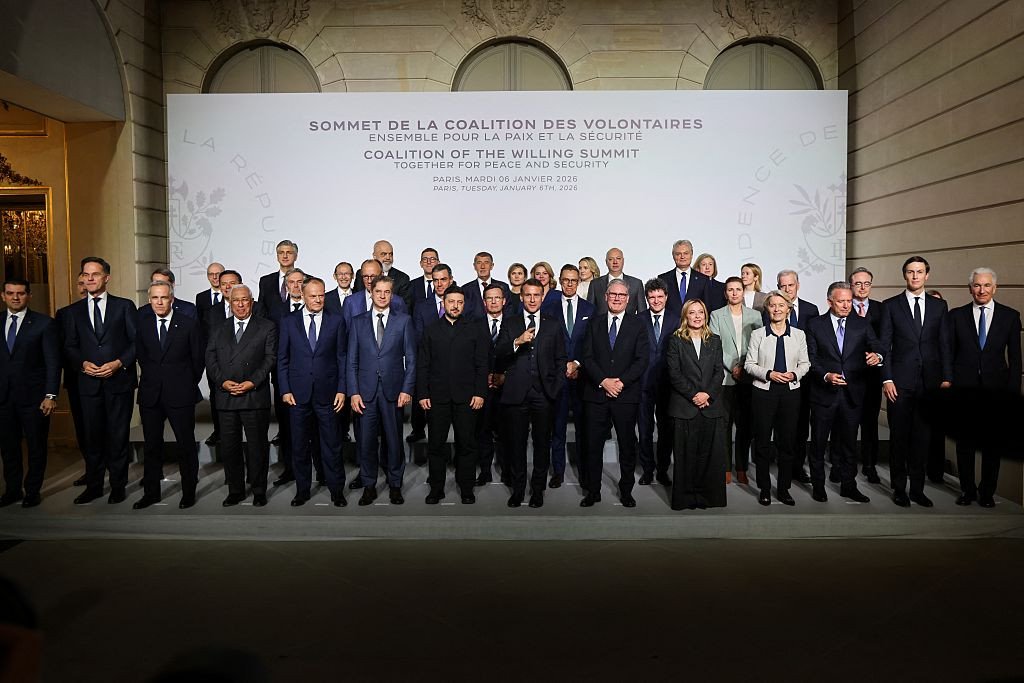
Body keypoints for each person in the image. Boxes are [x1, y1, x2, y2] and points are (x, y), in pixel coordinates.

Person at [64, 256, 138, 505]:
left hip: (119, 382)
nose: (90, 279)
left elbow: (136, 342)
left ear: (106, 278)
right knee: (92, 438)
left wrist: (118, 363)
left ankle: (118, 486)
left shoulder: (124, 306)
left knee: (118, 437)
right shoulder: (72, 312)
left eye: (95, 274)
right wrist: (83, 364)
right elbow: (70, 346)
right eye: (86, 274)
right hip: (88, 383)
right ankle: (94, 486)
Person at [945, 267, 1021, 507]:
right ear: (970, 289)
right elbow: (949, 354)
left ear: (994, 288)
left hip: (996, 391)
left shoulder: (1010, 316)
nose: (982, 290)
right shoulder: (956, 316)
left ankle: (987, 493)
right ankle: (967, 490)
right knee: (965, 444)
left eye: (987, 285)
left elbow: (1016, 360)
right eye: (977, 285)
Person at [879, 256, 951, 508]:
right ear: (905, 275)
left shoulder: (939, 306)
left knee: (922, 438)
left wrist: (946, 378)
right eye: (911, 272)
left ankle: (918, 490)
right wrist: (887, 378)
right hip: (899, 383)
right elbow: (885, 346)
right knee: (899, 437)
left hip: (929, 384)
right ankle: (899, 489)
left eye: (919, 272)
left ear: (927, 275)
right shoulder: (890, 306)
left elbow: (944, 344)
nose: (915, 276)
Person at [804, 282, 882, 504]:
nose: (847, 305)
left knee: (849, 444)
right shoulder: (815, 324)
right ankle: (819, 486)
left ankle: (849, 486)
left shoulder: (862, 323)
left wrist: (877, 356)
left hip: (852, 394)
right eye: (841, 301)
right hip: (823, 394)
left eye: (849, 301)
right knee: (818, 443)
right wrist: (826, 375)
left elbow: (878, 346)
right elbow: (811, 357)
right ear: (830, 301)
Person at [133, 280, 205, 510]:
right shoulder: (142, 324)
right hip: (151, 394)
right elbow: (142, 357)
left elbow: (198, 360)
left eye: (164, 297)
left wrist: (185, 383)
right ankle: (151, 493)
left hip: (180, 393)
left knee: (185, 444)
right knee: (152, 446)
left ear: (171, 299)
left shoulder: (188, 324)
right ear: (149, 300)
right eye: (155, 298)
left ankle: (188, 492)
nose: (159, 302)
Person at [495, 279, 566, 508]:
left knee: (542, 444)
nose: (533, 299)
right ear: (521, 297)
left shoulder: (553, 324)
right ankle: (517, 491)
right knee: (516, 445)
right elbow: (498, 353)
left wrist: (555, 387)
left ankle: (537, 490)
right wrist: (517, 341)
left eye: (537, 295)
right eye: (528, 295)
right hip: (516, 393)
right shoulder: (511, 322)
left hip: (544, 394)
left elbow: (560, 359)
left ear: (543, 297)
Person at [277, 277, 348, 507]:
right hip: (297, 395)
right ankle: (302, 490)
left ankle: (337, 491)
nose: (318, 299)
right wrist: (285, 389)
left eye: (321, 295)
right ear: (302, 295)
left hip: (328, 394)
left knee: (332, 445)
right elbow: (282, 359)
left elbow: (342, 358)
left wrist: (342, 389)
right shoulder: (289, 321)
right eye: (313, 296)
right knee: (299, 446)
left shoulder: (336, 321)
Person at [578, 280, 650, 507]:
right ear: (606, 296)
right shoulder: (594, 323)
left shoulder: (638, 325)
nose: (617, 298)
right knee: (593, 445)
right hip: (596, 394)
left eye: (622, 295)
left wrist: (620, 383)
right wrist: (603, 381)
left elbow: (642, 360)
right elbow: (587, 357)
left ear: (628, 299)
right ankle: (593, 491)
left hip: (625, 395)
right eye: (613, 294)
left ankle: (626, 490)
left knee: (627, 446)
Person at [206, 285, 277, 506]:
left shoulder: (266, 327)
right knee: (230, 448)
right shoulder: (219, 328)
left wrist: (251, 382)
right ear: (229, 302)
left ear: (251, 302)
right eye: (236, 300)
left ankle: (258, 490)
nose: (240, 304)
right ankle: (235, 490)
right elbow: (210, 359)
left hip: (254, 396)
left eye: (245, 300)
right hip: (226, 396)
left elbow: (270, 359)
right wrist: (222, 382)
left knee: (257, 447)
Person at [417, 285, 489, 504]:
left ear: (464, 304)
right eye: (451, 302)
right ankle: (436, 489)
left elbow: (482, 364)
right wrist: (422, 393)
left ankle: (466, 488)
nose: (455, 306)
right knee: (436, 445)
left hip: (467, 398)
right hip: (436, 398)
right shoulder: (431, 330)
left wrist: (480, 393)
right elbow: (423, 364)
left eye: (459, 302)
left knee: (466, 445)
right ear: (444, 303)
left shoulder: (475, 329)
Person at [347, 276, 416, 505]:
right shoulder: (357, 322)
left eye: (387, 292)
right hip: (365, 393)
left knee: (394, 441)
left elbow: (411, 359)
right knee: (366, 442)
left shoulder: (403, 320)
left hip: (393, 392)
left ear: (392, 294)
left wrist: (406, 389)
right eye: (379, 291)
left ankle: (395, 484)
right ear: (372, 292)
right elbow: (351, 361)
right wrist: (354, 392)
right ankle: (369, 486)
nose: (383, 296)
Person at [745, 291, 810, 506]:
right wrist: (768, 374)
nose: (777, 309)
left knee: (787, 443)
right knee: (763, 442)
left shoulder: (799, 335)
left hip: (790, 392)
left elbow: (805, 363)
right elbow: (749, 364)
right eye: (772, 305)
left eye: (781, 305)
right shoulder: (758, 334)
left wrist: (794, 374)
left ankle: (783, 489)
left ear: (788, 309)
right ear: (767, 309)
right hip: (764, 392)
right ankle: (764, 488)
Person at [0, 279, 59, 508]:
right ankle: (13, 490)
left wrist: (50, 395)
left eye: (20, 293)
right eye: (10, 293)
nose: (15, 297)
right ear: (3, 296)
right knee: (8, 448)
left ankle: (32, 491)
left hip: (35, 399)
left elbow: (53, 362)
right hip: (3, 399)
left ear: (29, 296)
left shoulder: (44, 324)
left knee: (36, 446)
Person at [666, 299, 726, 509]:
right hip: (685, 406)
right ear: (685, 316)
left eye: (701, 312)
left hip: (711, 406)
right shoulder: (675, 340)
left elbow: (719, 372)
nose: (697, 316)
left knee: (709, 456)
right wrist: (695, 395)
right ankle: (686, 499)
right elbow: (674, 373)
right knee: (686, 456)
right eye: (692, 312)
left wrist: (707, 394)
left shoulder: (715, 340)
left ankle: (708, 498)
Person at [541, 264, 594, 488]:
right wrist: (563, 365)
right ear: (560, 281)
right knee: (558, 427)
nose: (569, 284)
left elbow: (591, 343)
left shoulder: (589, 308)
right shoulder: (549, 307)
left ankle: (584, 472)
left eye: (573, 280)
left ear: (578, 282)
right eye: (566, 280)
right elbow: (546, 342)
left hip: (582, 377)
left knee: (583, 428)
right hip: (558, 375)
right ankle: (558, 471)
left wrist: (577, 363)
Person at [765, 269, 820, 484]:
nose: (787, 289)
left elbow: (814, 344)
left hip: (803, 378)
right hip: (777, 376)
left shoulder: (811, 310)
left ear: (798, 285)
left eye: (791, 285)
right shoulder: (770, 309)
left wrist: (802, 370)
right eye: (783, 286)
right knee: (781, 424)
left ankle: (797, 466)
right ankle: (782, 464)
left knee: (801, 426)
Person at [709, 276, 763, 485]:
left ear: (743, 292)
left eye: (738, 289)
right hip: (725, 379)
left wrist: (744, 366)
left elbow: (759, 344)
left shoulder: (755, 315)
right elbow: (714, 344)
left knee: (745, 426)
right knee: (724, 426)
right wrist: (732, 367)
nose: (734, 293)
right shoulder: (716, 315)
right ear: (725, 293)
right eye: (730, 289)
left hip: (748, 377)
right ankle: (725, 468)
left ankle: (741, 467)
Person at [636, 278, 678, 487]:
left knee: (666, 430)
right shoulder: (638, 319)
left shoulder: (676, 319)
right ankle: (647, 470)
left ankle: (662, 470)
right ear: (646, 298)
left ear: (666, 297)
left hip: (668, 383)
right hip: (643, 383)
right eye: (652, 297)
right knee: (644, 429)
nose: (656, 300)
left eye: (660, 296)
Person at [849, 266, 884, 484]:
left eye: (867, 283)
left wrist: (878, 355)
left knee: (870, 423)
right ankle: (844, 465)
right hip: (849, 374)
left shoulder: (882, 309)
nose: (863, 288)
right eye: (858, 283)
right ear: (851, 286)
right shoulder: (843, 306)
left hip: (872, 375)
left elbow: (887, 339)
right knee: (847, 422)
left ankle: (870, 465)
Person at [200, 269, 241, 446]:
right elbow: (207, 343)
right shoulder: (210, 312)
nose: (227, 287)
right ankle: (219, 433)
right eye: (224, 284)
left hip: (245, 367)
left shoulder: (254, 307)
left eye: (232, 283)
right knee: (217, 401)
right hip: (219, 368)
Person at [56, 273, 89, 486]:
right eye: (80, 283)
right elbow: (60, 349)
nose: (84, 286)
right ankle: (91, 469)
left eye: (88, 282)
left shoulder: (115, 309)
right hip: (77, 379)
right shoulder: (65, 314)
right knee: (83, 427)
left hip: (107, 377)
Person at [475, 284, 509, 485]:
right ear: (484, 302)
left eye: (497, 298)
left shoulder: (514, 323)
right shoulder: (474, 324)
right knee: (483, 431)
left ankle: (507, 471)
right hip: (483, 387)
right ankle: (485, 471)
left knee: (506, 432)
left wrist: (504, 376)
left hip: (507, 387)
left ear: (504, 301)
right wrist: (485, 376)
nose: (494, 301)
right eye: (490, 298)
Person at [342, 258, 407, 324]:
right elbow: (347, 328)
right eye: (365, 276)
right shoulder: (350, 302)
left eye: (373, 276)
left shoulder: (397, 302)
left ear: (382, 275)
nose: (369, 281)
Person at [353, 240, 412, 310]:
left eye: (391, 254)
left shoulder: (402, 278)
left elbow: (404, 308)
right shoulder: (360, 274)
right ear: (374, 256)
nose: (388, 257)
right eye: (384, 254)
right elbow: (355, 300)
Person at [587, 247, 647, 315]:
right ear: (606, 262)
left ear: (623, 261)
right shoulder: (595, 284)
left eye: (618, 258)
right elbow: (589, 311)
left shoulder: (636, 284)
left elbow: (642, 313)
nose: (615, 262)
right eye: (611, 259)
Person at [658, 239, 711, 315]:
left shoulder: (703, 280)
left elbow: (707, 308)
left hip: (694, 322)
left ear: (691, 254)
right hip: (670, 322)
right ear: (673, 256)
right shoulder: (663, 279)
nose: (682, 257)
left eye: (686, 253)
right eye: (678, 254)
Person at [255, 239, 299, 321]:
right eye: (281, 253)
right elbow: (261, 310)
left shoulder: (307, 280)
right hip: (272, 327)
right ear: (277, 256)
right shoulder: (265, 281)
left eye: (289, 253)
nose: (285, 256)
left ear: (296, 256)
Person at [463, 251, 512, 319]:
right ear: (474, 266)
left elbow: (509, 312)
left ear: (492, 266)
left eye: (486, 262)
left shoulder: (503, 287)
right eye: (479, 263)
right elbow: (464, 314)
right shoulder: (465, 289)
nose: (482, 266)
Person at [408, 248, 439, 312]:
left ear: (438, 263)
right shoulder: (412, 285)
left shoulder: (446, 284)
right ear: (421, 264)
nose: (429, 262)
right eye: (425, 259)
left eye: (432, 259)